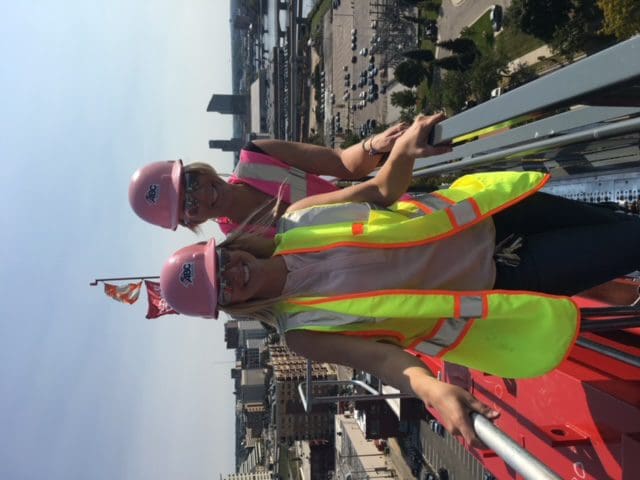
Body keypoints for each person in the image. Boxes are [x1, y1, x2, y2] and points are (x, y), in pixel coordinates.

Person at [158, 114, 640, 447]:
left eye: (219, 264)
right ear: (228, 306)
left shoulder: (297, 220)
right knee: (629, 241)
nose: (231, 275)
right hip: (505, 274)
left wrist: (403, 149)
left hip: (489, 214)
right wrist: (433, 392)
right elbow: (384, 360)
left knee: (620, 228)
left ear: (225, 249)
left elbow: (381, 191)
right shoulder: (302, 332)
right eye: (220, 287)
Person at [128, 123, 408, 235]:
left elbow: (341, 163)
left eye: (190, 183)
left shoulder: (257, 155)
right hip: (375, 257)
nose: (199, 195)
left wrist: (374, 145)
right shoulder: (241, 248)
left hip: (391, 206)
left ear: (197, 170)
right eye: (187, 205)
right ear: (190, 222)